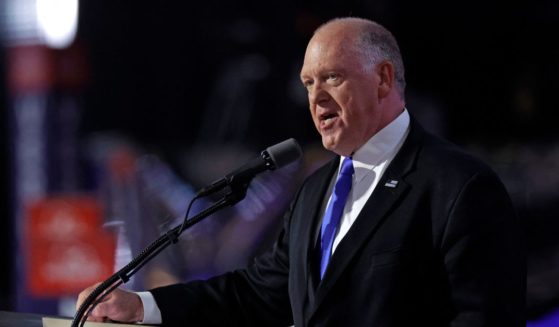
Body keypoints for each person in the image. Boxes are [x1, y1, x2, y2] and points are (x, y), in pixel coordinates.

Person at [77, 17, 525, 326]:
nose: (317, 98)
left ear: (384, 79)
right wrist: (143, 306)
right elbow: (259, 294)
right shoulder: (315, 192)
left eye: (333, 77)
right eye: (309, 84)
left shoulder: (458, 185)